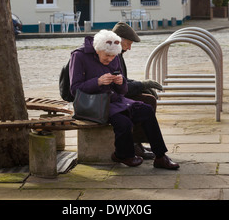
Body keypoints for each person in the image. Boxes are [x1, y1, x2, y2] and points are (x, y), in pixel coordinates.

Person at [69, 29, 179, 170]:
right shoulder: (79, 56)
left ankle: (160, 156)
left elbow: (123, 91)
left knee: (147, 110)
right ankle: (123, 155)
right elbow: (74, 89)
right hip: (94, 105)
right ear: (97, 49)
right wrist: (98, 81)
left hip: (116, 101)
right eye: (107, 56)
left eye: (113, 56)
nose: (110, 59)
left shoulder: (115, 56)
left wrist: (121, 83)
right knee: (124, 123)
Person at [112, 21, 163, 159]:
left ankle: (138, 142)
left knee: (147, 97)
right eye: (128, 43)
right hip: (111, 99)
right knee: (147, 101)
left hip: (116, 94)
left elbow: (123, 79)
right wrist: (142, 85)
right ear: (119, 40)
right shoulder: (112, 55)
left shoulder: (118, 54)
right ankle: (134, 144)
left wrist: (142, 85)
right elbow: (122, 88)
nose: (129, 48)